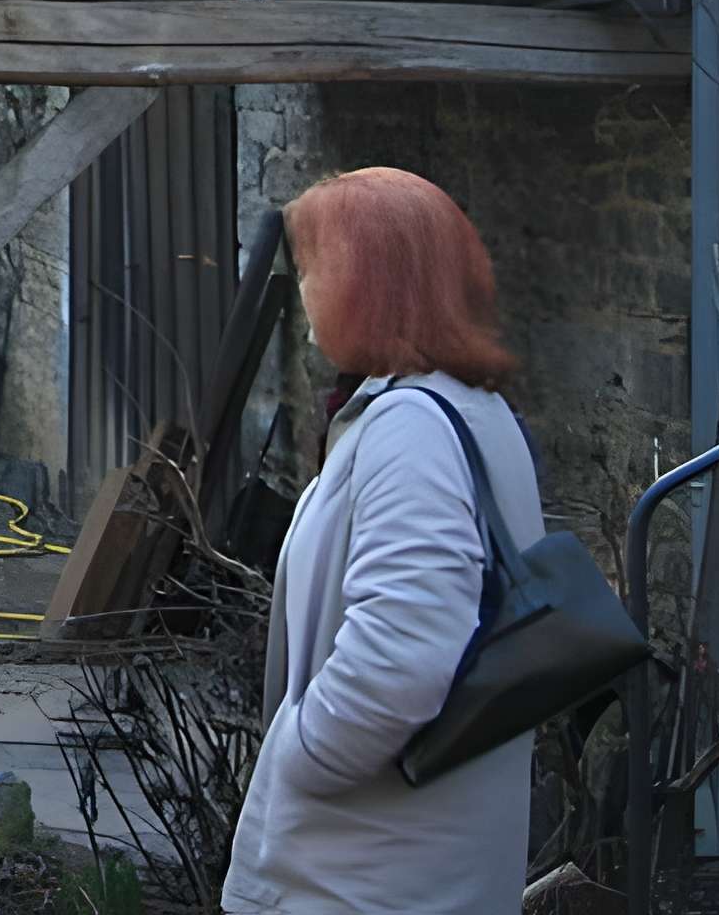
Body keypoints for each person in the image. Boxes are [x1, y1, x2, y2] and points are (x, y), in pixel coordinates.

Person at [223, 167, 540, 914]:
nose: (304, 288)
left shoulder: (412, 429)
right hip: (400, 857)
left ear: (369, 285)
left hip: (367, 874)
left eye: (315, 268)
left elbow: (401, 657)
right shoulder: (464, 407)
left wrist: (301, 758)